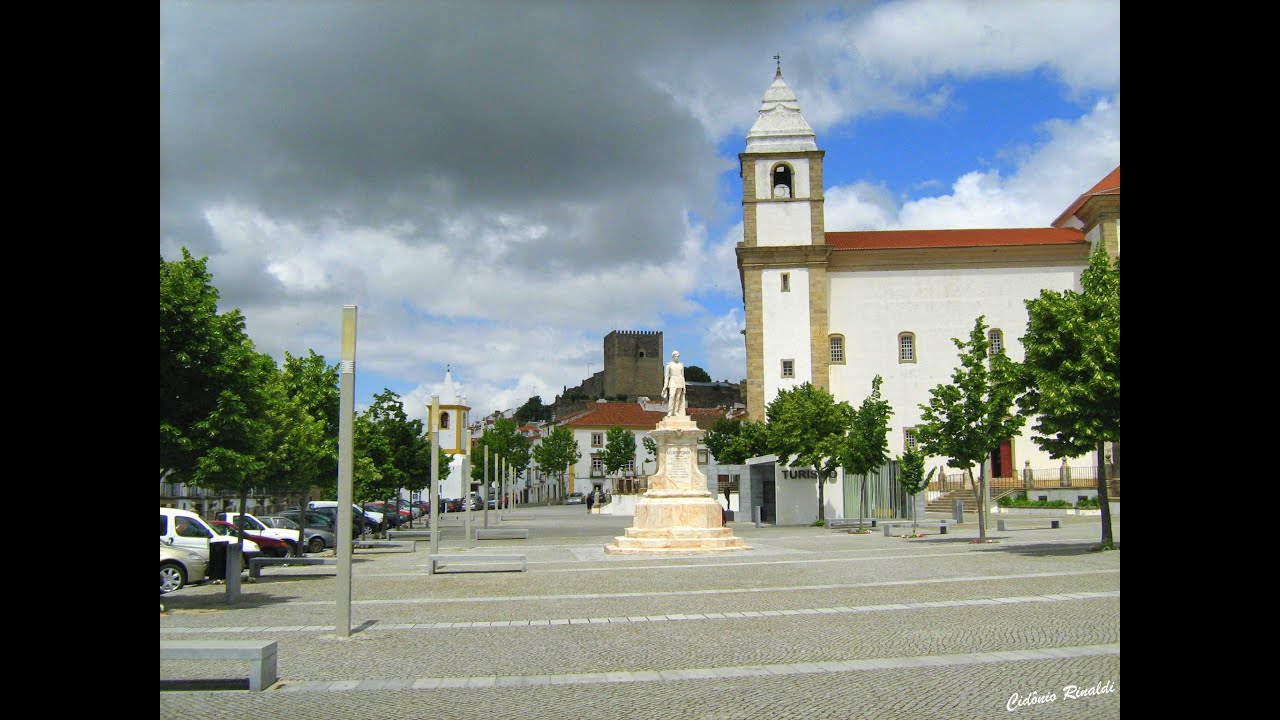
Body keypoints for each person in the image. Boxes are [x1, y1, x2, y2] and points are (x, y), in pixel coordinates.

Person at [662, 350, 687, 417]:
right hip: (672, 381)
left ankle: (676, 411)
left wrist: (684, 387)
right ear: (673, 357)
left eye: (678, 356)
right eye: (675, 356)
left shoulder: (681, 365)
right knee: (672, 396)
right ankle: (670, 411)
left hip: (680, 381)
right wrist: (665, 386)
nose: (677, 357)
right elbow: (666, 376)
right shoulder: (669, 365)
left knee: (678, 398)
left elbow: (683, 376)